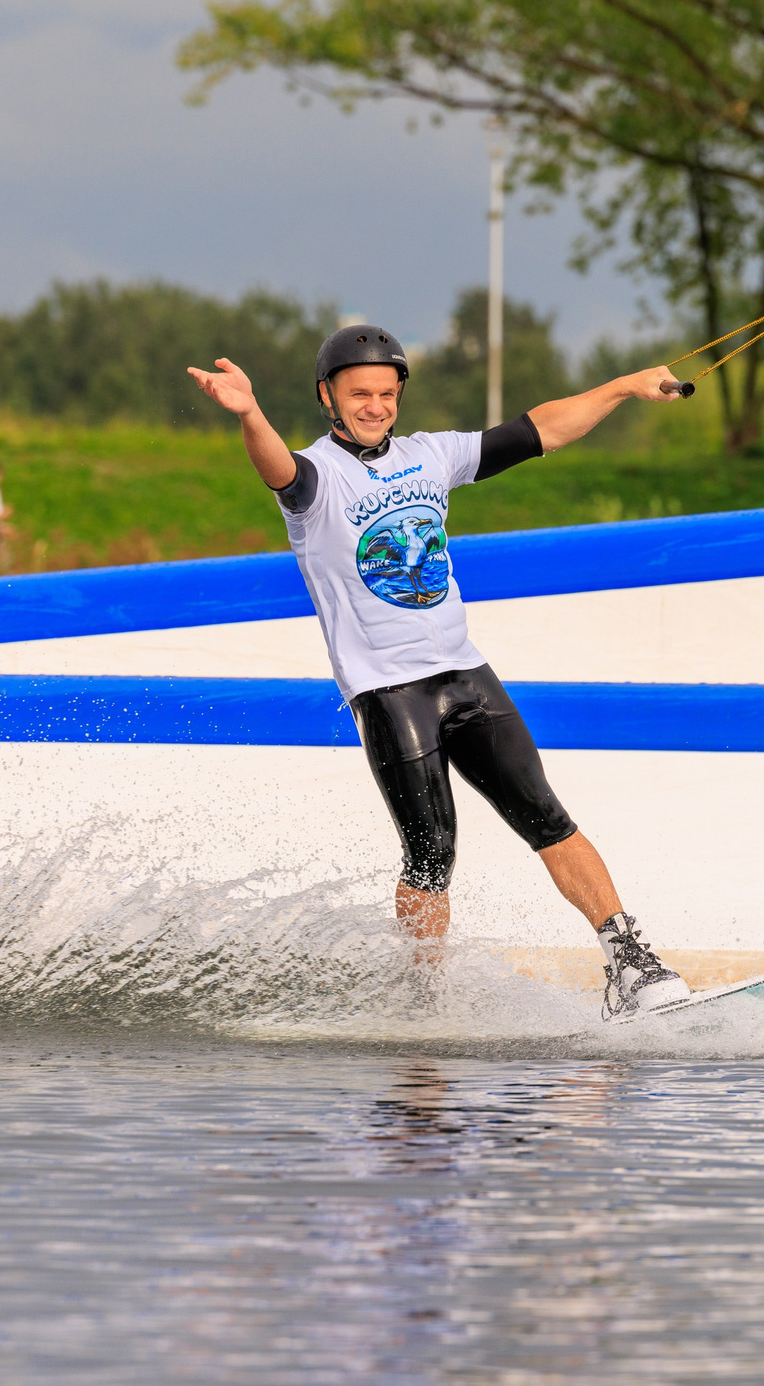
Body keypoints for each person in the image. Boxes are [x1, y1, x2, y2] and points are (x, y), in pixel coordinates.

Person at [188, 325, 693, 1017]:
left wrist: (626, 386)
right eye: (359, 394)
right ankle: (425, 997)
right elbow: (278, 468)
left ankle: (630, 963)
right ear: (327, 396)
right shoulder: (317, 478)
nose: (375, 406)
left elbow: (540, 429)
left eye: (386, 393)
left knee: (546, 816)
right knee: (431, 854)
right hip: (389, 692)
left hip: (465, 674)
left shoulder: (431, 455)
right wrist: (250, 413)